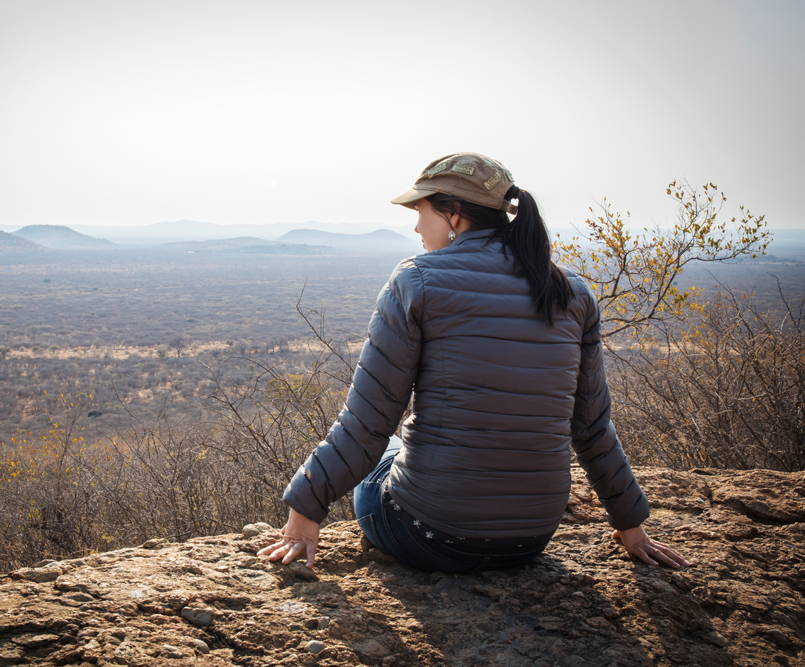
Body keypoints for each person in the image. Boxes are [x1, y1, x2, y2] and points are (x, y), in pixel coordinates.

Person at [259, 152, 689, 574]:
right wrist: (631, 526)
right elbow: (592, 426)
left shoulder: (417, 279)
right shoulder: (571, 292)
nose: (414, 224)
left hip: (427, 534)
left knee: (386, 449)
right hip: (531, 538)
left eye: (420, 208)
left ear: (455, 214)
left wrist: (304, 511)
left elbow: (368, 422)